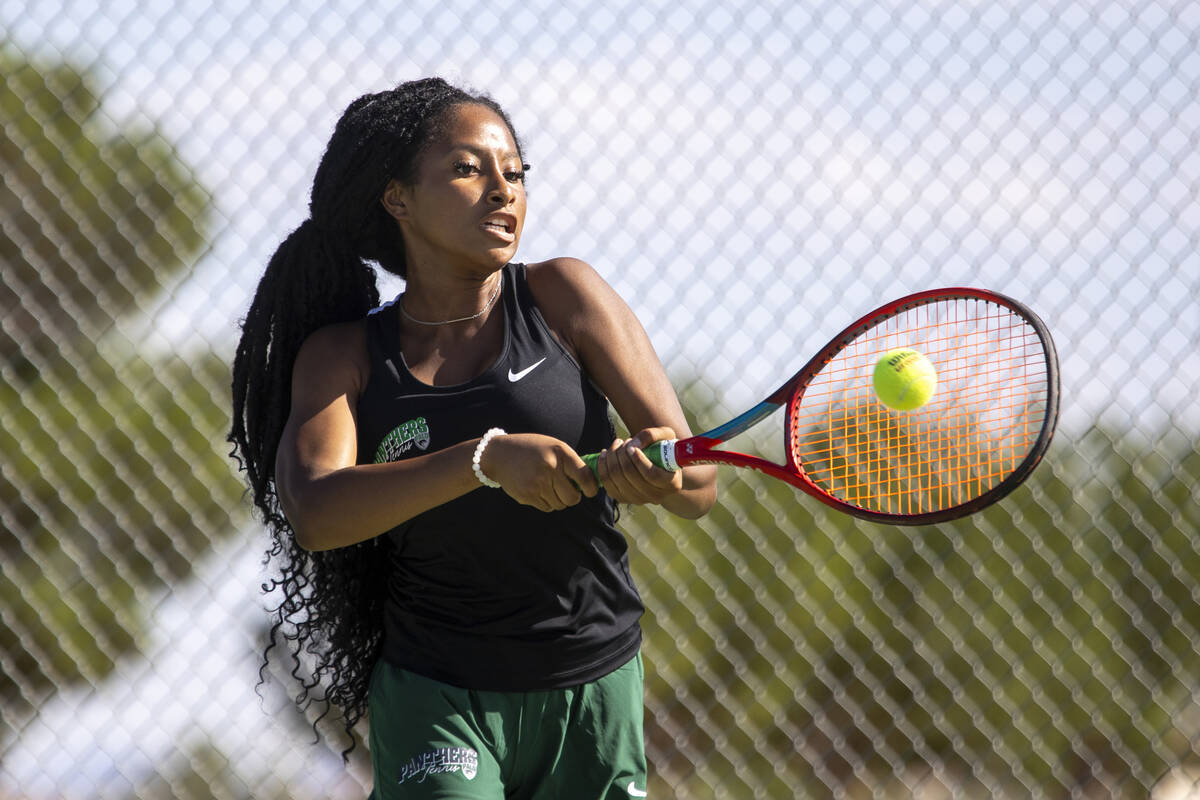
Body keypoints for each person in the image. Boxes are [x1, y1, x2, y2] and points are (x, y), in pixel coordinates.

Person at [228, 76, 716, 799]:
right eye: (468, 169)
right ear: (397, 198)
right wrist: (483, 460)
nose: (503, 190)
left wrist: (660, 475)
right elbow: (315, 511)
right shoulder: (345, 356)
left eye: (515, 173)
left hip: (592, 681)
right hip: (438, 694)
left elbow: (699, 485)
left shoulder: (565, 295)